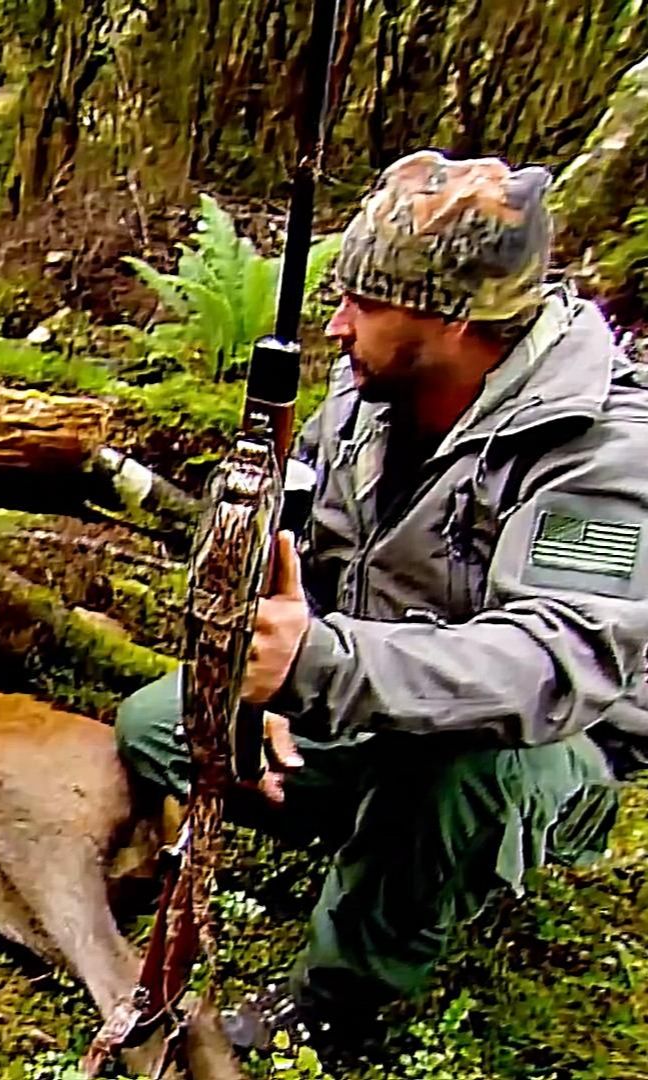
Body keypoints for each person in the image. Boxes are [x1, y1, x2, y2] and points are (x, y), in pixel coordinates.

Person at [113, 149, 648, 1051]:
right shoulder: (371, 396)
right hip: (368, 701)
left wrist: (319, 667)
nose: (333, 325)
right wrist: (270, 670)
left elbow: (554, 664)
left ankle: (337, 997)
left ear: (449, 318)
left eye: (362, 303)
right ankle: (379, 844)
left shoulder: (603, 450)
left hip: (540, 748)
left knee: (453, 769)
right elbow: (306, 548)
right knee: (159, 725)